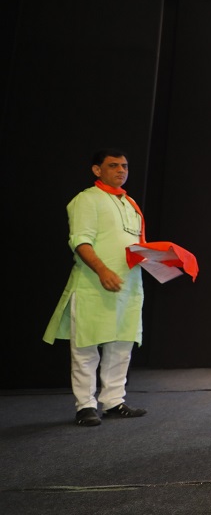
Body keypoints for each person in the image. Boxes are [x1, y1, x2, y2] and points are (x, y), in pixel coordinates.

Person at [44, 149, 148, 426]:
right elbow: (80, 241)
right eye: (113, 166)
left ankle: (114, 401)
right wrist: (102, 270)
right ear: (96, 170)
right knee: (86, 349)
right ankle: (85, 406)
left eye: (124, 166)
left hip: (128, 287)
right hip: (93, 285)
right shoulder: (87, 200)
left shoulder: (130, 203)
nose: (121, 171)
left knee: (121, 346)